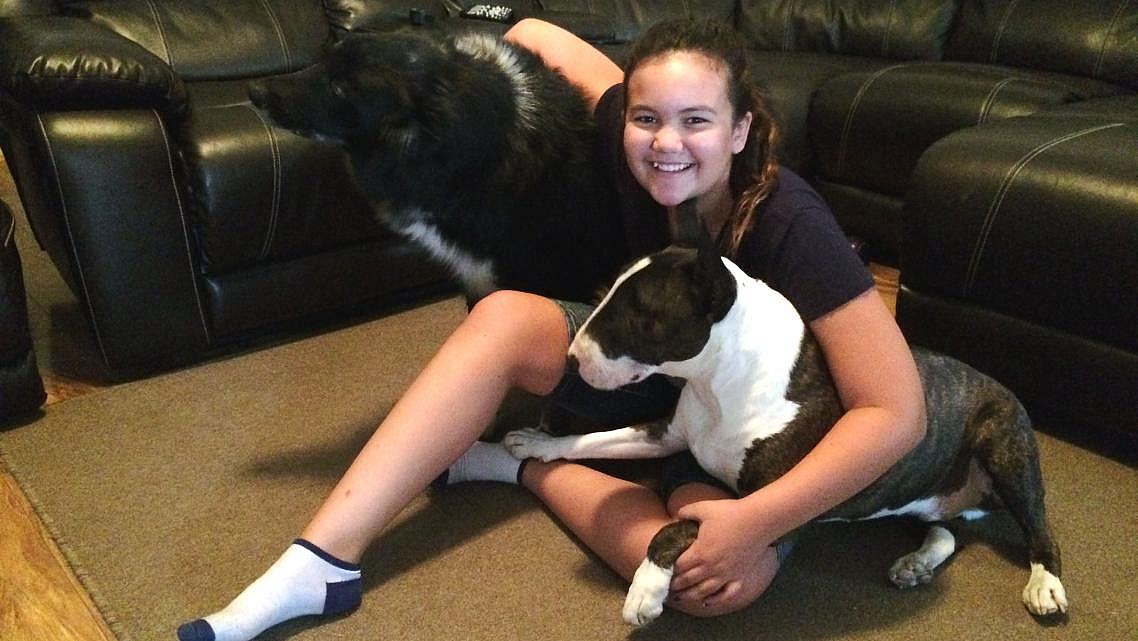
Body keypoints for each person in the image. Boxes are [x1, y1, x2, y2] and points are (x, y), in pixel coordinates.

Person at [177, 17, 925, 641]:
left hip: (734, 432)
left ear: (740, 130)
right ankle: (322, 562)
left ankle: (524, 466)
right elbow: (535, 29)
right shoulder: (627, 142)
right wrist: (442, 61)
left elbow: (897, 411)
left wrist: (758, 520)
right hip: (627, 375)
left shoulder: (792, 223)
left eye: (697, 120)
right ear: (624, 114)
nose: (667, 142)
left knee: (717, 584)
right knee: (503, 315)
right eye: (646, 117)